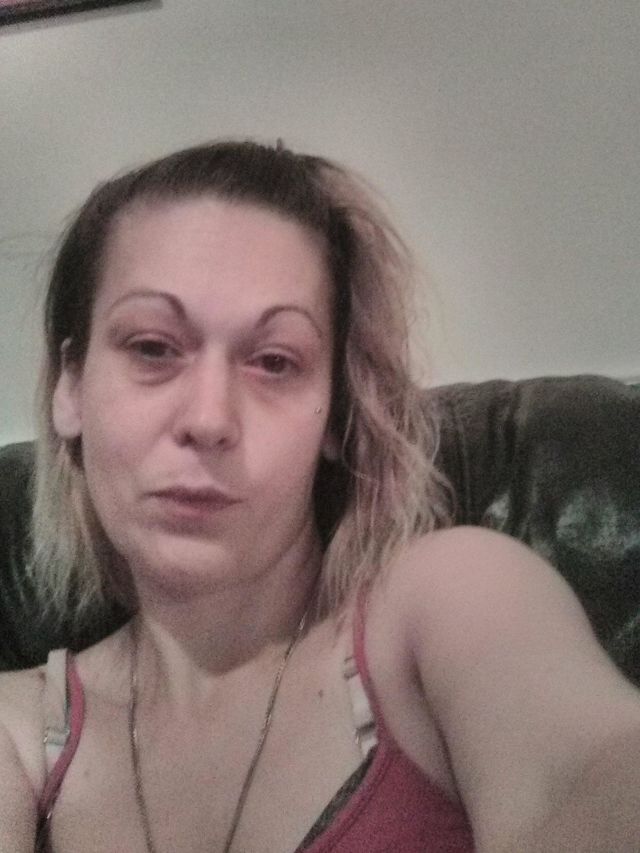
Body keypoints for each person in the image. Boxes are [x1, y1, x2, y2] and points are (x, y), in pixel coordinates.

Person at [0, 140, 638, 853]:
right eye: (152, 347)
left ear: (335, 413)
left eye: (275, 361)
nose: (208, 418)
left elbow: (589, 772)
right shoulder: (19, 733)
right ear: (71, 386)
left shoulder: (449, 605)